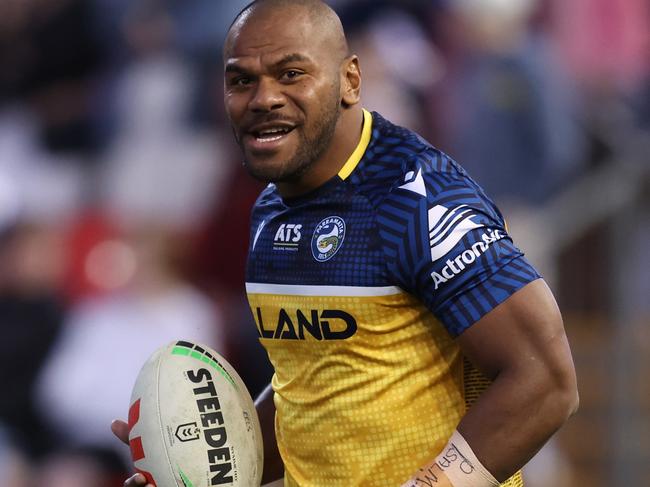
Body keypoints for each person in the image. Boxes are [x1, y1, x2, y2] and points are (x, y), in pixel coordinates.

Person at [113, 1, 579, 486]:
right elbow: (314, 390)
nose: (263, 98)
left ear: (350, 81)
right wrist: (199, 461)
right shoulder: (270, 210)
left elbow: (545, 381)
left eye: (291, 73)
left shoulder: (418, 198)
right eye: (241, 80)